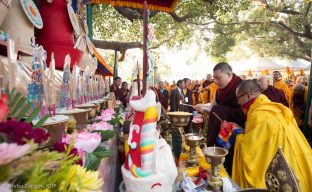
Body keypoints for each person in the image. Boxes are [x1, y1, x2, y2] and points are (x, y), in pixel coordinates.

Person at [233, 80, 312, 191]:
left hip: (282, 165)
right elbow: (261, 135)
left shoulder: (258, 114)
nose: (238, 102)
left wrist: (238, 136)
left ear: (248, 95)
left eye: (238, 98)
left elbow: (250, 147)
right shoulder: (270, 105)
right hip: (297, 155)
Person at [195, 62, 245, 175]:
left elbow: (244, 112)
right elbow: (213, 106)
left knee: (230, 162)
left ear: (229, 74)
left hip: (238, 129)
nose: (215, 82)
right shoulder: (219, 90)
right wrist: (202, 106)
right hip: (222, 131)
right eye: (214, 78)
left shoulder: (241, 87)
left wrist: (217, 110)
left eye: (218, 78)